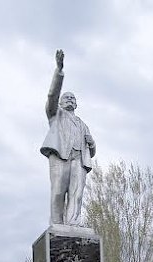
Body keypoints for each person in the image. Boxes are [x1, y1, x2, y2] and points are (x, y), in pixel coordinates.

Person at [41, 49, 96, 226]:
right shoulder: (55, 114)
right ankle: (56, 223)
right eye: (67, 97)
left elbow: (92, 149)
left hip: (78, 160)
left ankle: (73, 222)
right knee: (58, 191)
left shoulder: (82, 123)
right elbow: (52, 95)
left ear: (76, 103)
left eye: (73, 98)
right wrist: (59, 70)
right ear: (60, 102)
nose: (70, 99)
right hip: (61, 156)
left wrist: (92, 143)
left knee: (77, 193)